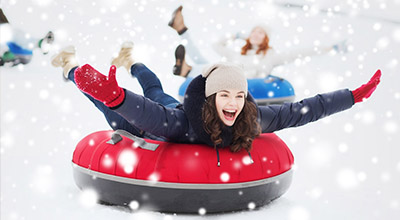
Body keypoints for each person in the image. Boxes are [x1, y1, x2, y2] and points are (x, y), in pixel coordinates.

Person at [52, 42, 381, 165]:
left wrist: (350, 96)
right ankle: (70, 67)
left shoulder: (250, 120)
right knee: (133, 95)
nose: (234, 102)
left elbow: (299, 111)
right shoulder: (182, 124)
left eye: (239, 96)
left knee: (155, 90)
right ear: (211, 99)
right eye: (225, 95)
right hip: (144, 124)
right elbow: (150, 115)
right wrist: (117, 98)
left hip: (171, 110)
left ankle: (129, 60)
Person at [168, 6, 348, 78]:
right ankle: (181, 28)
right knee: (202, 59)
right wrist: (236, 36)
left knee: (209, 67)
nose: (255, 34)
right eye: (253, 31)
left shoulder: (270, 56)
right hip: (226, 72)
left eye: (260, 32)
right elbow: (216, 46)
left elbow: (300, 52)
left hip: (238, 81)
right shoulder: (239, 54)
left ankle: (187, 70)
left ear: (265, 38)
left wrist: (330, 48)